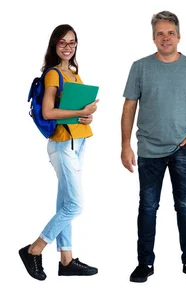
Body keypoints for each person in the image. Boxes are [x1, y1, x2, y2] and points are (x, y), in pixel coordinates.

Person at [120, 11, 186, 283]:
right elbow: (129, 107)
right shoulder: (139, 67)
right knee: (148, 207)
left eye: (170, 33)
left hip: (183, 149)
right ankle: (144, 264)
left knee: (185, 205)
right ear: (153, 38)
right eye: (160, 33)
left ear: (179, 36)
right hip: (149, 149)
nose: (165, 38)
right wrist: (125, 146)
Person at [19, 24, 100, 281]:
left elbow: (76, 112)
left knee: (66, 203)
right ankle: (34, 249)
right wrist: (79, 113)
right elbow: (48, 112)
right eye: (63, 42)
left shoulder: (74, 74)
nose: (68, 47)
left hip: (80, 142)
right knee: (75, 205)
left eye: (72, 42)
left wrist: (86, 117)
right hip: (63, 144)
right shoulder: (54, 74)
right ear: (54, 45)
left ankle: (66, 259)